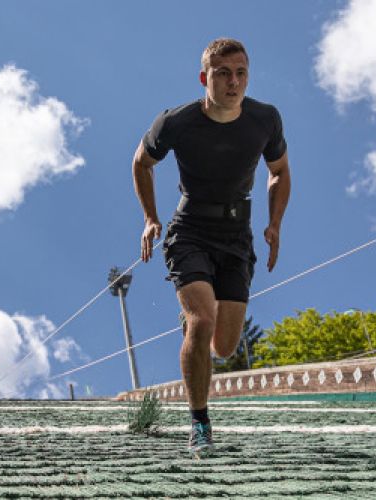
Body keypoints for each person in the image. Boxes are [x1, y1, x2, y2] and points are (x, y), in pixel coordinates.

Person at [132, 38, 290, 456]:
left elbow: (279, 171)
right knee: (202, 321)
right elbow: (141, 162)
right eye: (223, 73)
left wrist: (274, 224)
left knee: (224, 345)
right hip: (190, 230)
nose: (233, 82)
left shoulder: (265, 119)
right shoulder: (176, 121)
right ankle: (200, 422)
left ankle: (195, 323)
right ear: (205, 77)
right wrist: (150, 218)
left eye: (240, 73)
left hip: (237, 236)